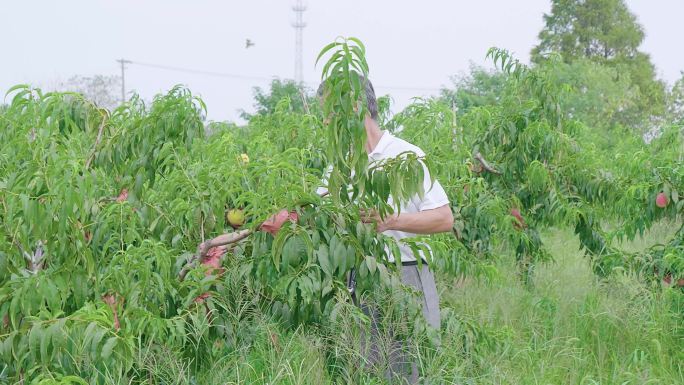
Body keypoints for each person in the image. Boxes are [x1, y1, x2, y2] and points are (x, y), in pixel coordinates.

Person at [198, 76, 454, 383]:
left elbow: (443, 218)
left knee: (410, 371)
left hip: (406, 275)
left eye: (330, 111)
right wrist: (239, 235)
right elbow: (308, 213)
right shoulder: (341, 166)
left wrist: (390, 221)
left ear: (356, 106)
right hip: (361, 278)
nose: (326, 120)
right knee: (368, 370)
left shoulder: (405, 156)